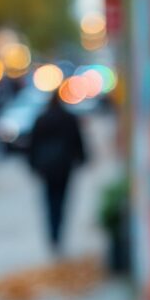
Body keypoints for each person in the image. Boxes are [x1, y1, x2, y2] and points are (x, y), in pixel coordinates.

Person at [28, 91, 86, 256]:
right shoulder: (68, 118)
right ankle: (58, 233)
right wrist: (81, 158)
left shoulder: (41, 119)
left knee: (49, 201)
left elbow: (33, 145)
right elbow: (78, 140)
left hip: (47, 168)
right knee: (61, 201)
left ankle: (53, 235)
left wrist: (34, 165)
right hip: (64, 166)